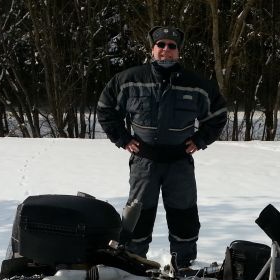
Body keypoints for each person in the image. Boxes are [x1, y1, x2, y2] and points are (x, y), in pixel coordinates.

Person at [97, 26, 227, 267]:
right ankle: (133, 263)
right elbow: (106, 109)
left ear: (178, 51)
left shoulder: (196, 84)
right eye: (161, 45)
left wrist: (200, 139)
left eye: (172, 46)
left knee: (184, 215)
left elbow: (218, 114)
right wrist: (123, 138)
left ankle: (183, 264)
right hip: (144, 162)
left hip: (179, 163)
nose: (166, 49)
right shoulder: (129, 80)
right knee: (138, 215)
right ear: (152, 49)